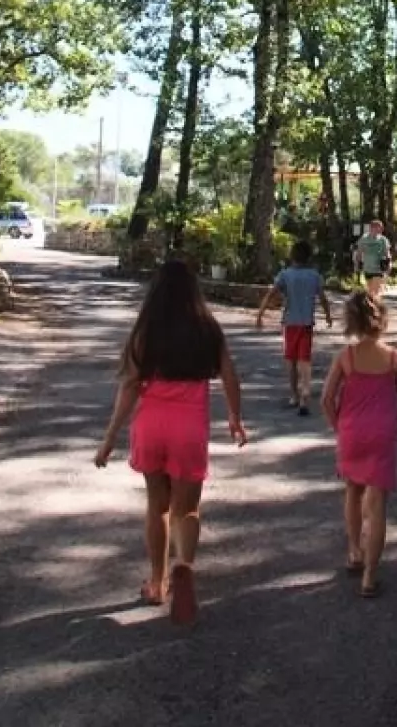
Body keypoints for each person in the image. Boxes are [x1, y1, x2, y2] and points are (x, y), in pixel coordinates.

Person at [94, 258, 247, 625]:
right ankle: (184, 567)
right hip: (189, 429)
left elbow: (130, 385)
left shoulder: (146, 330)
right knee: (187, 509)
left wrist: (110, 437)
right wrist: (235, 417)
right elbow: (230, 375)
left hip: (151, 426)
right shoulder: (207, 328)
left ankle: (157, 582)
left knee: (157, 506)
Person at [321, 290, 397, 599]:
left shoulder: (345, 357)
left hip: (351, 432)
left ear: (352, 321)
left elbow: (326, 399)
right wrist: (394, 427)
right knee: (378, 505)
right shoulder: (394, 358)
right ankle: (370, 578)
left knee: (352, 490)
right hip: (382, 433)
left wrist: (339, 428)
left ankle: (354, 551)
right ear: (382, 320)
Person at [256, 239, 332, 416]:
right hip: (307, 323)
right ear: (309, 257)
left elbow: (271, 294)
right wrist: (328, 315)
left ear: (292, 256)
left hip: (290, 323)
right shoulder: (314, 276)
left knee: (290, 359)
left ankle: (294, 395)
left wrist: (260, 314)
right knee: (305, 360)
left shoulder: (285, 275)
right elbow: (323, 298)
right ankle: (305, 394)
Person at [357, 219, 391, 296]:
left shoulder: (383, 240)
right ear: (371, 228)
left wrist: (389, 264)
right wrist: (358, 265)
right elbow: (359, 253)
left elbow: (387, 254)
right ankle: (374, 302)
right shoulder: (364, 239)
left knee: (375, 291)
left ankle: (375, 302)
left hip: (379, 269)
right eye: (379, 228)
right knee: (370, 292)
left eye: (381, 228)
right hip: (367, 268)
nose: (381, 230)